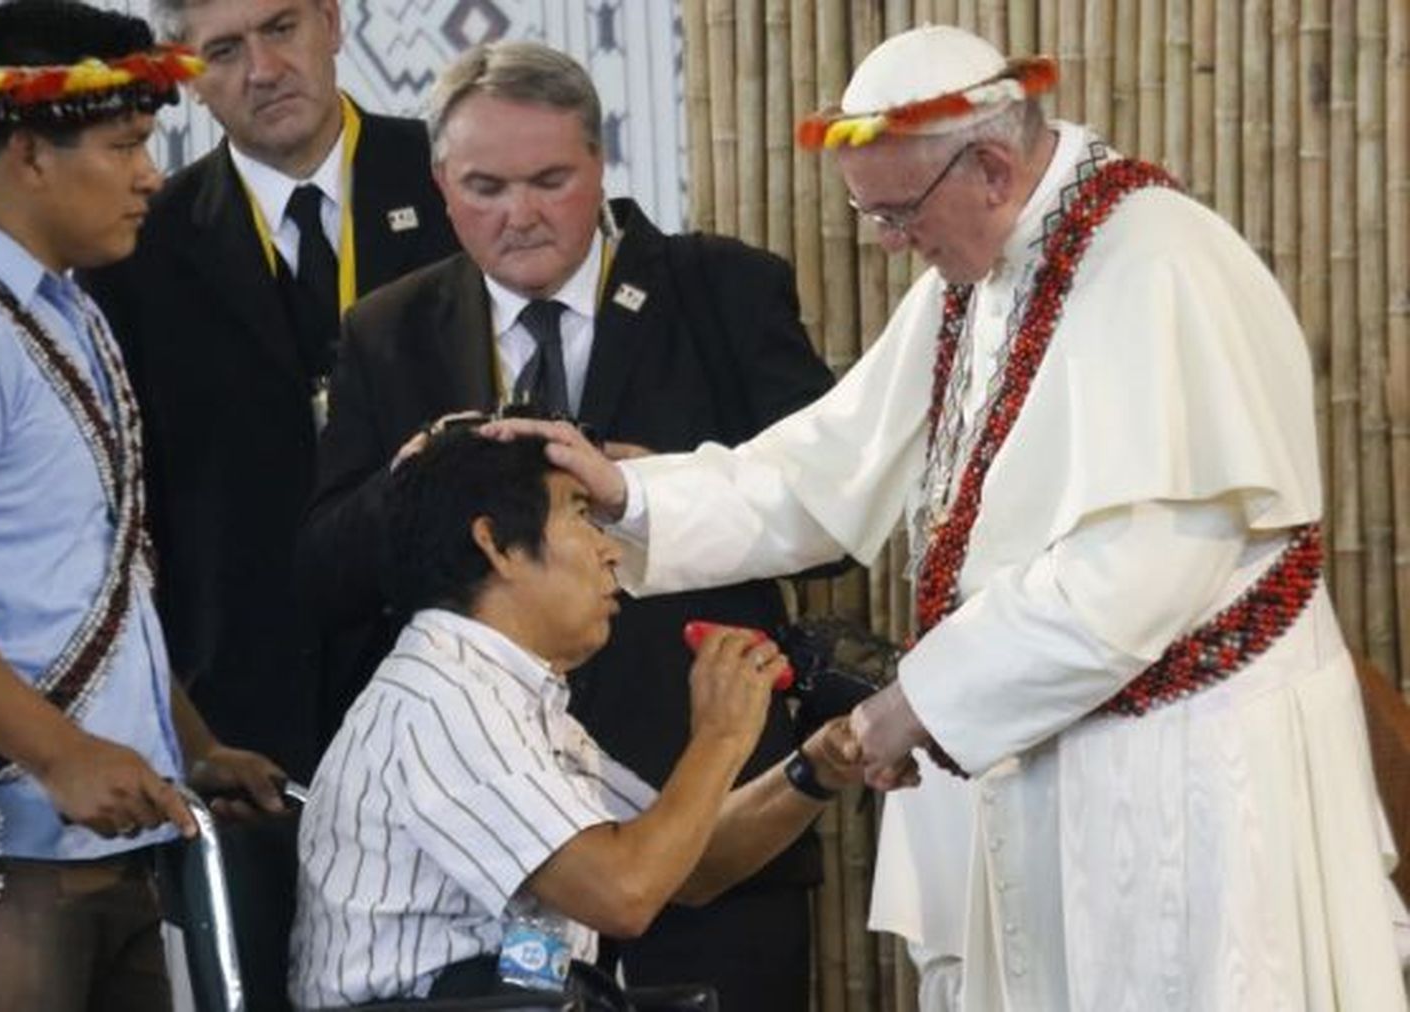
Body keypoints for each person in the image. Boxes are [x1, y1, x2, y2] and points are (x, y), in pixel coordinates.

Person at [491, 24, 1410, 1012]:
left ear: (989, 165)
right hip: (1038, 744)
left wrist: (910, 705)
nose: (890, 245)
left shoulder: (1157, 266)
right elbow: (821, 469)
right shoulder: (980, 272)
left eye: (895, 214)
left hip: (1185, 776)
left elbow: (1129, 577)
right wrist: (632, 493)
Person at [295, 40, 836, 1011]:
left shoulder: (723, 288)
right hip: (486, 865)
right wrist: (422, 475)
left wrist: (657, 491)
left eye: (551, 179)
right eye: (485, 186)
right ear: (439, 185)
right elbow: (326, 573)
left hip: (702, 809)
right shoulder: (390, 327)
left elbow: (836, 520)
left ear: (600, 164)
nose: (521, 213)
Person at [0, 4, 286, 1010]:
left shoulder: (54, 309)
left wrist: (187, 742)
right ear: (28, 152)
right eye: (126, 145)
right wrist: (61, 752)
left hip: (88, 845)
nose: (152, 174)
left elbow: (91, 584)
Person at [289, 427, 864, 1008]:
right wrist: (719, 737)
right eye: (583, 517)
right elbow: (625, 892)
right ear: (497, 544)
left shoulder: (506, 692)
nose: (612, 550)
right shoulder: (440, 699)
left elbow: (686, 865)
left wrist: (816, 769)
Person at [83, 0, 457, 783]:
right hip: (248, 716)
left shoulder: (459, 180)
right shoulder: (134, 243)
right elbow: (128, 499)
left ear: (331, 22)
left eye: (281, 28)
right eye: (223, 50)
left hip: (458, 684)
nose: (261, 70)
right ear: (185, 74)